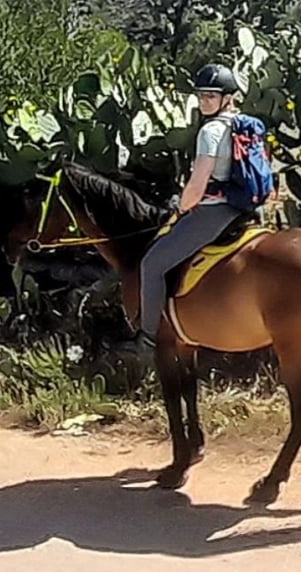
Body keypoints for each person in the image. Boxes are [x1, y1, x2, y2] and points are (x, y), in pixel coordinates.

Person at [118, 63, 246, 364]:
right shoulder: (246, 124)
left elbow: (198, 182)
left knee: (152, 264)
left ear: (227, 98)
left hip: (214, 211)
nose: (204, 101)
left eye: (211, 96)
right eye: (201, 95)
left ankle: (147, 340)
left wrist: (181, 207)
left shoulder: (210, 132)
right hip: (245, 208)